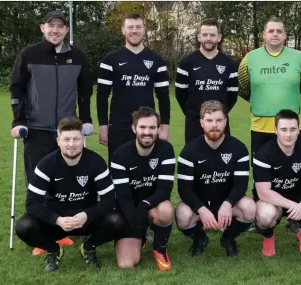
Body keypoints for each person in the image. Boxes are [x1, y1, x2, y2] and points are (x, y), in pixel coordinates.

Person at [10, 10, 93, 255]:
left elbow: (85, 91)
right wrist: (18, 121)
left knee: (66, 181)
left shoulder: (77, 56)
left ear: (66, 30)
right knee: (38, 182)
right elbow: (17, 88)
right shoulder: (29, 54)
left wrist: (86, 120)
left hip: (66, 130)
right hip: (35, 128)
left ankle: (63, 230)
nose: (55, 30)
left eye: (60, 26)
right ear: (42, 28)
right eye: (51, 25)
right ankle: (41, 236)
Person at [15, 117, 122, 272]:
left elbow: (109, 200)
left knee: (117, 220)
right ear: (58, 140)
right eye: (66, 139)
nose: (71, 144)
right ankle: (53, 249)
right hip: (57, 221)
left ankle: (88, 246)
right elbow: (32, 204)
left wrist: (87, 215)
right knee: (24, 227)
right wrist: (56, 219)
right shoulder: (46, 164)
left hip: (86, 220)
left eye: (76, 139)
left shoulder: (96, 162)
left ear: (83, 139)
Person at [239, 18, 301, 234]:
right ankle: (262, 217)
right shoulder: (249, 59)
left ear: (285, 35)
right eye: (271, 31)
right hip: (261, 126)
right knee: (261, 173)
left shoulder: (300, 59)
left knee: (294, 171)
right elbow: (243, 88)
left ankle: (294, 217)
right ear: (264, 35)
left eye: (279, 31)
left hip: (291, 128)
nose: (275, 34)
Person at [176, 101, 255, 257]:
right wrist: (201, 209)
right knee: (182, 214)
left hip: (228, 204)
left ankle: (228, 238)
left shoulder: (238, 148)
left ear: (225, 121)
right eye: (209, 120)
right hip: (200, 205)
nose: (214, 125)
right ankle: (200, 238)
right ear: (201, 123)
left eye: (219, 120)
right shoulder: (189, 151)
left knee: (250, 208)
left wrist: (227, 203)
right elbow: (184, 189)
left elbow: (240, 186)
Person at [252, 109, 301, 257]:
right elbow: (264, 192)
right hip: (271, 200)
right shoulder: (263, 154)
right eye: (283, 129)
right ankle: (268, 237)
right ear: (276, 130)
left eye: (292, 129)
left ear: (298, 130)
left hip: (296, 194)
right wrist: (294, 207)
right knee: (265, 215)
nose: (288, 135)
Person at [97, 13, 170, 161]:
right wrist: (103, 127)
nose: (134, 31)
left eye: (138, 27)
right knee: (117, 168)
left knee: (146, 170)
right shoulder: (110, 59)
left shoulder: (156, 61)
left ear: (144, 30)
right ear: (123, 30)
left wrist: (165, 126)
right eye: (130, 27)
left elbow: (163, 96)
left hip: (147, 126)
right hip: (118, 126)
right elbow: (102, 96)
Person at [110, 107, 176, 270]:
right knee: (126, 264)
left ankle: (160, 249)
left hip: (152, 205)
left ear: (159, 129)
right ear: (134, 128)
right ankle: (140, 235)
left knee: (166, 210)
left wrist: (146, 204)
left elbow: (165, 189)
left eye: (152, 128)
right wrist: (135, 220)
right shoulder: (120, 154)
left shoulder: (166, 150)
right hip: (128, 210)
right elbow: (123, 195)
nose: (147, 132)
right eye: (142, 127)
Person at [175, 18, 239, 143]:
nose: (208, 38)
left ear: (219, 37)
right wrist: (194, 113)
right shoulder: (186, 63)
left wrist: (219, 115)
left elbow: (233, 95)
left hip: (220, 124)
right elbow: (180, 94)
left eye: (212, 35)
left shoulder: (229, 64)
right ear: (199, 37)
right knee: (193, 159)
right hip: (194, 124)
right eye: (205, 35)